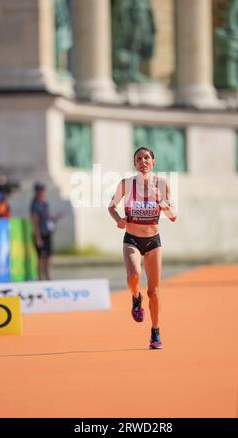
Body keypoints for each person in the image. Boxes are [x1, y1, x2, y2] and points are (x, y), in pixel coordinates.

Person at [108, 147, 177, 350]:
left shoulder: (162, 184)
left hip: (153, 241)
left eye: (147, 158)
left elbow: (173, 216)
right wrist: (119, 219)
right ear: (135, 163)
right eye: (139, 158)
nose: (143, 161)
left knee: (154, 292)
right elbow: (111, 206)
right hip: (132, 239)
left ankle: (155, 332)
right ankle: (135, 297)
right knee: (134, 275)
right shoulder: (126, 184)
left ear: (153, 161)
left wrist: (160, 201)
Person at [30, 182, 61, 281]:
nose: (43, 193)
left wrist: (54, 219)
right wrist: (38, 237)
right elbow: (35, 222)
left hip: (47, 233)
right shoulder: (35, 205)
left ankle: (47, 276)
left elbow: (47, 218)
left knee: (48, 256)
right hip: (40, 234)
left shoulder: (44, 204)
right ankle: (40, 277)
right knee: (41, 257)